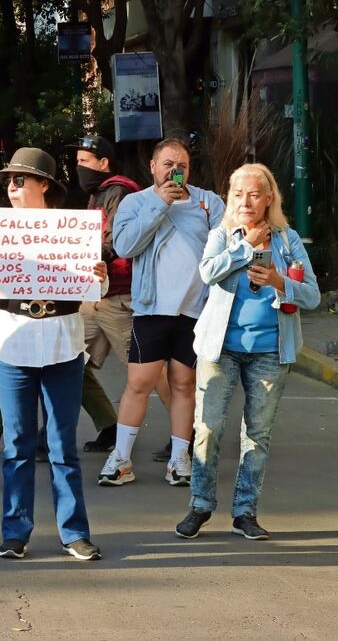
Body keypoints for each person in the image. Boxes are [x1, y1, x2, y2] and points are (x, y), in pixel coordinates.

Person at [0, 147, 104, 561]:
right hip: (13, 342)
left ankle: (74, 532)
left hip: (62, 342)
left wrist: (100, 277)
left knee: (62, 445)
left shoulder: (72, 229)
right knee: (17, 444)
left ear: (44, 186)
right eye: (9, 182)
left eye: (21, 180)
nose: (13, 188)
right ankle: (15, 532)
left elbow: (94, 292)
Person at [175, 163, 319, 541]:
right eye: (238, 194)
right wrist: (246, 247)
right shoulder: (222, 235)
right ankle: (200, 505)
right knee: (208, 428)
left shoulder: (288, 240)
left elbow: (313, 295)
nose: (246, 201)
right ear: (229, 198)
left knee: (257, 434)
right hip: (220, 347)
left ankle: (245, 512)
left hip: (271, 350)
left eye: (254, 194)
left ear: (269, 198)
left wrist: (279, 280)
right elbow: (208, 273)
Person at [98, 138, 224, 487]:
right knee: (139, 383)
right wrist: (160, 205)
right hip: (151, 308)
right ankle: (121, 458)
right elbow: (125, 246)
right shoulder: (135, 203)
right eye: (167, 163)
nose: (174, 170)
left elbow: (223, 247)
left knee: (185, 384)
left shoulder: (208, 202)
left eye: (181, 164)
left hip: (194, 311)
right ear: (152, 167)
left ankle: (180, 459)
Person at [73, 135, 172, 453]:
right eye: (77, 162)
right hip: (98, 296)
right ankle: (108, 427)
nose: (79, 168)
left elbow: (116, 241)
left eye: (85, 161)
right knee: (67, 359)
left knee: (151, 370)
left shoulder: (119, 191)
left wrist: (78, 258)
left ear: (104, 163)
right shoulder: (98, 194)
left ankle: (190, 432)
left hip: (121, 296)